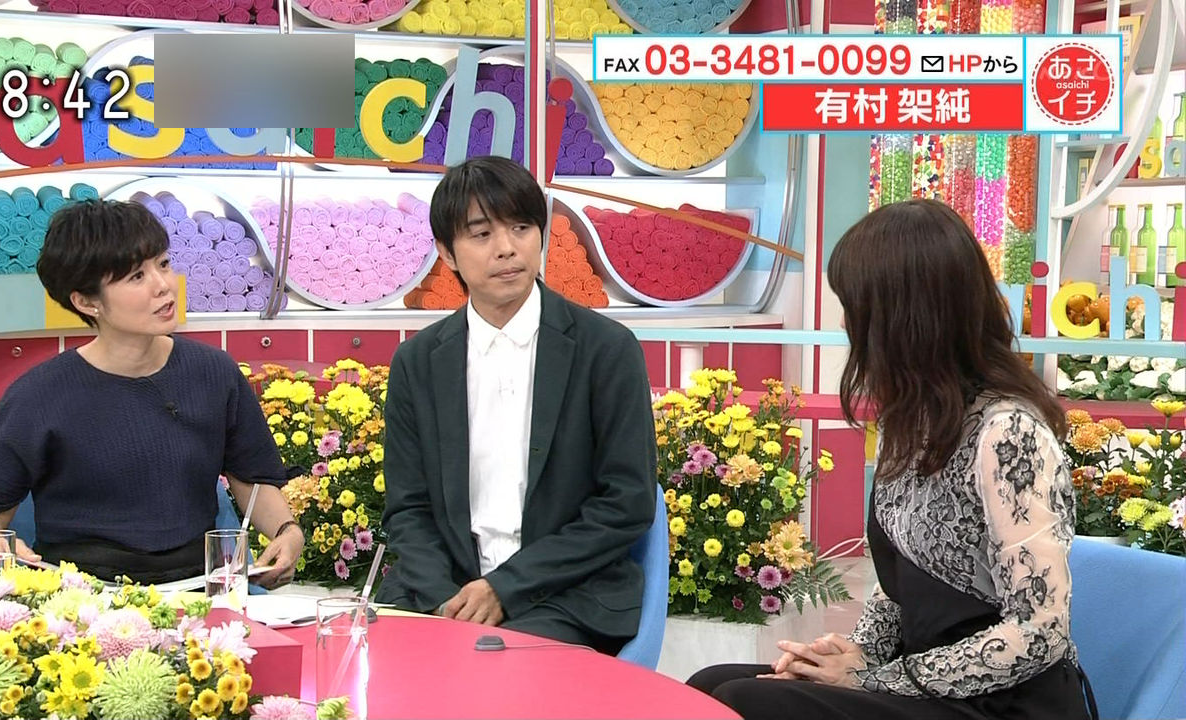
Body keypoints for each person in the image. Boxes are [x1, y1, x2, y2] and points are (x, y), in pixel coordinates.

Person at [687, 199, 1096, 719]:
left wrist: (873, 679)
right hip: (921, 680)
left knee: (747, 701)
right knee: (707, 686)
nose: (846, 323)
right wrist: (852, 655)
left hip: (1005, 704)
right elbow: (898, 582)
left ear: (904, 319)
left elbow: (1040, 633)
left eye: (855, 307)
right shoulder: (911, 419)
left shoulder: (1008, 432)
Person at [0, 199, 304, 587]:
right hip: (81, 596)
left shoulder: (214, 372)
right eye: (136, 276)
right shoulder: (38, 395)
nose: (163, 285)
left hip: (200, 586)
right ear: (86, 301)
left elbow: (251, 479)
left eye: (163, 264)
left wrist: (287, 531)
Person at [376, 155, 657, 654]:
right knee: (368, 664)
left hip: (566, 594)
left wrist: (505, 588)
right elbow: (408, 508)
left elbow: (626, 503)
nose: (506, 248)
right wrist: (444, 600)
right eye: (482, 234)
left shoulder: (606, 350)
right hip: (444, 590)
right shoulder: (417, 363)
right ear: (447, 253)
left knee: (490, 668)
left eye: (521, 228)